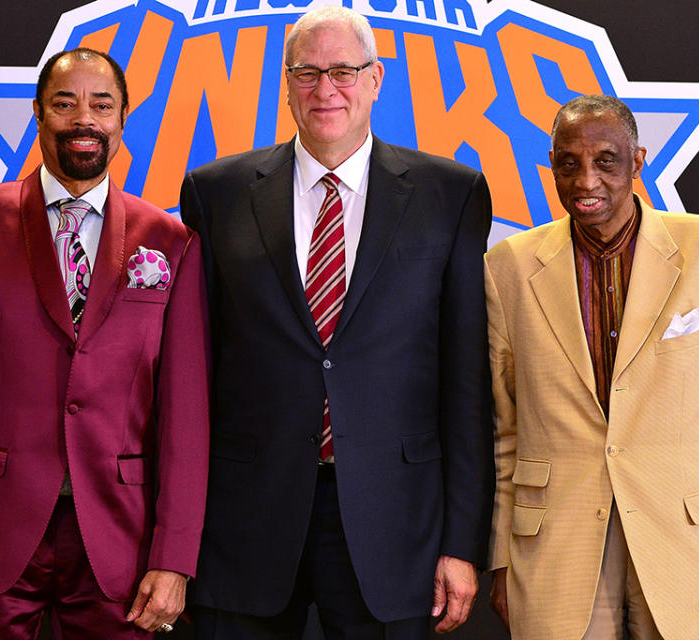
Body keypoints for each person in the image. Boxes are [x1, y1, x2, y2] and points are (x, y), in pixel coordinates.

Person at [179, 6, 492, 638]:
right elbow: (192, 377)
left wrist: (462, 543)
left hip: (397, 526)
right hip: (245, 522)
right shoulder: (215, 193)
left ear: (377, 79)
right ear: (285, 82)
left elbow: (466, 383)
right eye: (307, 72)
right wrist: (178, 538)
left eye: (344, 71)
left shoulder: (449, 194)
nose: (326, 90)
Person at [0, 48, 210, 639]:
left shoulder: (171, 241)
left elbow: (186, 418)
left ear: (122, 120)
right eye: (65, 103)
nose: (83, 118)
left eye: (101, 104)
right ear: (38, 114)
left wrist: (175, 556)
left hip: (120, 541)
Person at [483, 94, 699, 640]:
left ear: (638, 161)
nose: (585, 180)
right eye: (567, 163)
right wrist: (502, 555)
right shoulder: (507, 267)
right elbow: (504, 430)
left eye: (606, 161)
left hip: (687, 547)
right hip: (554, 545)